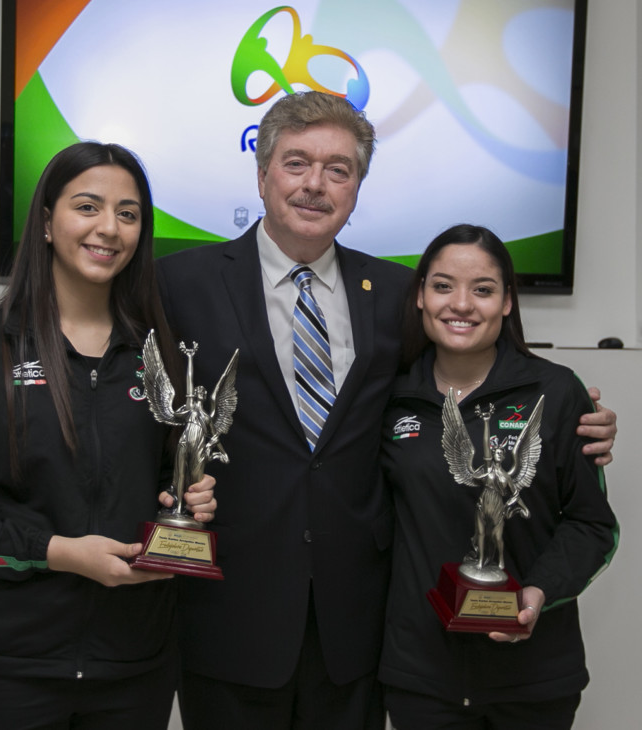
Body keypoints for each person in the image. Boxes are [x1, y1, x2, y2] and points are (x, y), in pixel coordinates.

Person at [155, 91, 618, 730]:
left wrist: (573, 414)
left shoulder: (400, 294)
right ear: (261, 175)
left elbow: (473, 379)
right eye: (296, 163)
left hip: (360, 623)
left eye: (339, 169)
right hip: (231, 609)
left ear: (356, 187)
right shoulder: (176, 284)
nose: (316, 184)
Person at [0, 142, 217, 730]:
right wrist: (57, 553)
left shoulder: (160, 354)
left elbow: (175, 488)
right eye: (87, 206)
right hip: (2, 670)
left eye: (128, 213)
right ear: (46, 222)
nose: (109, 229)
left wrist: (192, 502)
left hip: (133, 670)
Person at [379, 224, 620, 730]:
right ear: (420, 295)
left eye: (483, 289)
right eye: (443, 286)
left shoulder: (554, 392)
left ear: (507, 301)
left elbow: (592, 525)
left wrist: (537, 593)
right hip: (422, 678)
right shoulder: (387, 396)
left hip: (532, 681)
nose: (461, 304)